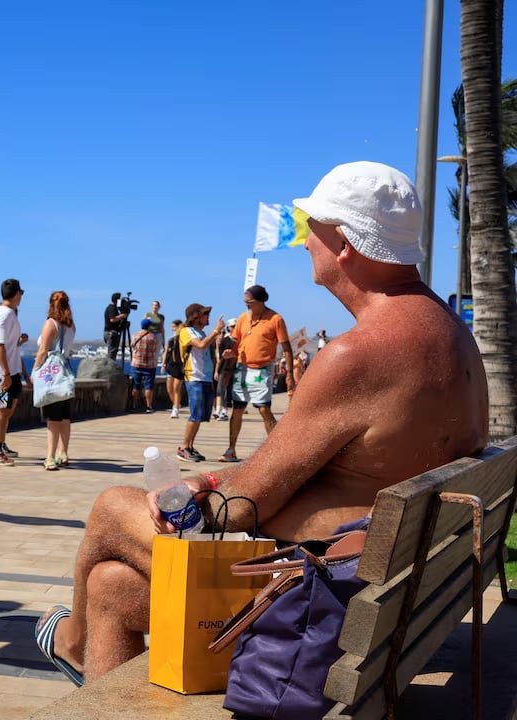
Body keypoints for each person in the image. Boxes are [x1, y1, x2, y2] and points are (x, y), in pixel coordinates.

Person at [33, 160, 488, 686]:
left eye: (310, 229)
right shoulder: (454, 334)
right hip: (397, 589)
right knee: (111, 587)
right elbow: (288, 469)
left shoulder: (359, 354)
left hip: (321, 594)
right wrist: (204, 480)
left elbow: (242, 508)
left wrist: (205, 492)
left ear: (343, 243)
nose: (303, 243)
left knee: (113, 508)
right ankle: (80, 650)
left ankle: (71, 643)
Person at [219, 285, 293, 463]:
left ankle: (275, 448)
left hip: (262, 370)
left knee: (263, 409)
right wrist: (229, 364)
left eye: (250, 302)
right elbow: (235, 345)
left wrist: (290, 373)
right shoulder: (242, 318)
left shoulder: (276, 319)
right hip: (242, 369)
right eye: (245, 302)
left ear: (261, 301)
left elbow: (287, 348)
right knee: (237, 409)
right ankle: (231, 450)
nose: (247, 306)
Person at [0, 279, 27, 466]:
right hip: (3, 375)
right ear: (16, 294)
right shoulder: (5, 314)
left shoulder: (2, 313)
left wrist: (18, 342)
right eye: (21, 293)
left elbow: (5, 344)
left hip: (5, 372)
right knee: (2, 411)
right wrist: (6, 374)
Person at [32, 291, 76, 470]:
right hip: (65, 374)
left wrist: (35, 370)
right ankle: (63, 452)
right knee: (65, 417)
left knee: (53, 419)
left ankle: (50, 457)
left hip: (52, 377)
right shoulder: (71, 327)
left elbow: (43, 350)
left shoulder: (51, 324)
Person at [176, 303, 224, 462]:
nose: (207, 317)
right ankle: (183, 447)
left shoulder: (201, 332)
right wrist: (216, 331)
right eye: (205, 314)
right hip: (194, 377)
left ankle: (190, 446)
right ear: (195, 316)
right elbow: (201, 345)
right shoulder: (186, 331)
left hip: (205, 378)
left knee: (201, 416)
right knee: (195, 415)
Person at [129, 318, 159, 413]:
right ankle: (149, 406)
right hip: (149, 365)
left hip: (136, 364)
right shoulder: (153, 337)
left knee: (135, 385)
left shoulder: (134, 336)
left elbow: (131, 346)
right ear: (149, 326)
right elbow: (155, 350)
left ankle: (134, 405)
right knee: (148, 386)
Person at [213, 319, 236, 421]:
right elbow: (221, 359)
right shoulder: (225, 341)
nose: (234, 328)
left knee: (231, 391)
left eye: (236, 326)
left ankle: (224, 411)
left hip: (236, 369)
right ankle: (223, 411)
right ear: (229, 328)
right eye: (232, 326)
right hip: (225, 369)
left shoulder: (240, 339)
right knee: (222, 390)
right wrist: (217, 371)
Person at [162, 319, 184, 418]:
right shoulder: (170, 339)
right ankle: (176, 404)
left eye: (174, 326)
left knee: (176, 388)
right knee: (169, 388)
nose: (172, 328)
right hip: (170, 365)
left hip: (180, 366)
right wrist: (163, 364)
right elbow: (166, 352)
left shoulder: (183, 338)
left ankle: (175, 409)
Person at [103, 293, 127, 360]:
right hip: (111, 333)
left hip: (111, 332)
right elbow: (112, 319)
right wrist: (122, 315)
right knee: (111, 354)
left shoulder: (112, 308)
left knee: (113, 353)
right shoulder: (112, 308)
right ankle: (110, 368)